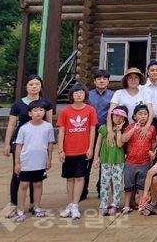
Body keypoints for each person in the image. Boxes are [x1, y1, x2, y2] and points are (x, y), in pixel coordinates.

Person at [3, 74, 53, 212]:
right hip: (21, 142)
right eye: (31, 84)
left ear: (40, 86)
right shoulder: (18, 104)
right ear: (26, 86)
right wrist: (7, 144)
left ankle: (34, 203)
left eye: (37, 84)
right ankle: (15, 203)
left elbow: (48, 123)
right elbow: (11, 125)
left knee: (36, 172)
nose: (34, 86)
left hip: (39, 143)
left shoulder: (46, 103)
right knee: (18, 172)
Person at [56, 82, 98, 220]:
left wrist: (90, 148)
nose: (78, 94)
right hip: (68, 150)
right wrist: (60, 149)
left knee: (80, 177)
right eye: (76, 92)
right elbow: (61, 131)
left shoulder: (90, 110)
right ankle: (69, 204)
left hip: (83, 150)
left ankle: (75, 205)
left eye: (81, 92)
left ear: (85, 94)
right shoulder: (65, 111)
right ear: (71, 95)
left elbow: (92, 130)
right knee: (69, 178)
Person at [11, 100, 54, 223]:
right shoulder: (24, 128)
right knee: (23, 185)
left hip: (40, 161)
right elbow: (19, 146)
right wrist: (17, 163)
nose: (38, 113)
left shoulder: (48, 127)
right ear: (30, 113)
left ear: (45, 112)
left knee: (38, 184)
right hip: (26, 161)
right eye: (35, 110)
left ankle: (36, 207)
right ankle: (20, 209)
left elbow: (50, 144)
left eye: (41, 110)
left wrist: (49, 159)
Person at [120, 104, 157, 214]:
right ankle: (126, 205)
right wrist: (133, 130)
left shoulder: (151, 128)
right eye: (140, 114)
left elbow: (154, 142)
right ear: (135, 116)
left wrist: (153, 153)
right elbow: (123, 139)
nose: (143, 116)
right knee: (128, 186)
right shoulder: (130, 127)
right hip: (130, 161)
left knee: (142, 185)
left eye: (145, 114)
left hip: (144, 161)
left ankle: (142, 204)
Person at [84, 68, 114, 200]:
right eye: (99, 79)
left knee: (104, 161)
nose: (102, 81)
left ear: (108, 81)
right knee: (87, 160)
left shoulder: (113, 96)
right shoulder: (87, 95)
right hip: (89, 132)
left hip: (106, 131)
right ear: (94, 81)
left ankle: (101, 188)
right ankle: (83, 189)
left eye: (104, 79)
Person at [92, 105, 128, 216]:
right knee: (104, 182)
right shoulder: (103, 128)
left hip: (118, 159)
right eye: (116, 115)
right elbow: (98, 144)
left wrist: (118, 130)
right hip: (105, 159)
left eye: (121, 117)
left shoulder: (124, 130)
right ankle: (103, 204)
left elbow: (119, 143)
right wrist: (95, 159)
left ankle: (115, 204)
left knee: (117, 182)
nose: (118, 118)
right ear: (111, 115)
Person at [107, 67, 152, 149]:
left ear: (139, 80)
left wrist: (147, 127)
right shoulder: (119, 93)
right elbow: (111, 112)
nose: (133, 80)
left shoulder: (145, 93)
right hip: (122, 129)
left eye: (136, 78)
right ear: (126, 80)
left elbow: (150, 111)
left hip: (140, 129)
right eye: (130, 78)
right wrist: (110, 130)